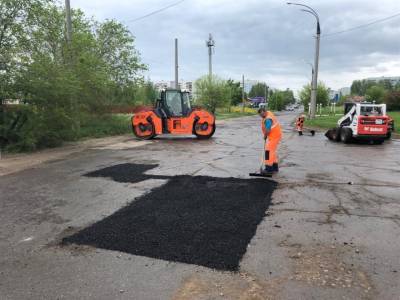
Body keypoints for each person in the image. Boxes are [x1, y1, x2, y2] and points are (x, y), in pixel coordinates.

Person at [258, 108, 282, 174]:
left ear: (265, 112)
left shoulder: (268, 119)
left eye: (262, 114)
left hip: (274, 136)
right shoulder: (268, 113)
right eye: (260, 115)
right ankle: (274, 168)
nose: (262, 116)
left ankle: (268, 169)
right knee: (272, 152)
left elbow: (268, 130)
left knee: (268, 151)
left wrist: (265, 136)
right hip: (275, 135)